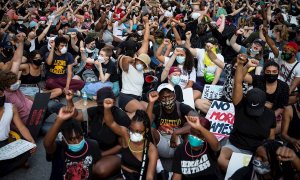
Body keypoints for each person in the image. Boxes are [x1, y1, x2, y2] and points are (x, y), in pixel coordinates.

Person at [218, 54, 276, 172]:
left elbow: (271, 139)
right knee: (220, 158)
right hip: (235, 146)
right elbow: (238, 82)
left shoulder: (270, 115)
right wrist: (240, 64)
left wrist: (263, 154)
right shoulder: (240, 105)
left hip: (257, 150)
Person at [65, 87, 131, 178]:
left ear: (114, 102)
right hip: (95, 149)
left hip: (113, 153)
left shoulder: (121, 118)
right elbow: (77, 116)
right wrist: (69, 100)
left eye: (107, 102)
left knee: (99, 170)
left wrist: (100, 155)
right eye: (101, 103)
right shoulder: (96, 111)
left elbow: (121, 146)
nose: (104, 106)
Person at [103, 98, 158, 179]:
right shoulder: (126, 136)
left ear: (146, 131)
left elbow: (149, 177)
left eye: (138, 131)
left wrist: (151, 102)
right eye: (131, 130)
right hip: (123, 176)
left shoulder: (151, 150)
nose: (133, 134)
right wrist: (107, 108)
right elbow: (110, 123)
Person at [43, 106, 101, 180]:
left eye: (79, 137)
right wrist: (59, 120)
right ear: (63, 138)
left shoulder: (93, 145)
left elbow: (94, 166)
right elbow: (47, 144)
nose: (77, 142)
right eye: (72, 139)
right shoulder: (58, 149)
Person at [146, 83, 197, 158]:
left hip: (180, 143)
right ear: (159, 99)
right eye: (163, 97)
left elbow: (198, 122)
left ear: (174, 95)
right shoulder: (157, 108)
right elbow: (146, 123)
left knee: (189, 129)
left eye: (169, 96)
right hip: (162, 142)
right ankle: (158, 165)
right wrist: (151, 102)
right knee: (150, 130)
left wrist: (176, 133)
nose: (167, 100)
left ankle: (188, 159)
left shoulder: (181, 107)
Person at [0, 89, 36, 176]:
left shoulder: (11, 108)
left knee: (28, 151)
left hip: (4, 144)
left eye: (0, 93)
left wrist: (32, 142)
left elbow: (22, 127)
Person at [230, 140, 300, 180]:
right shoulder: (247, 172)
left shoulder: (287, 175)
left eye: (263, 158)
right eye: (256, 155)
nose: (256, 160)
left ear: (277, 161)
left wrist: (295, 159)